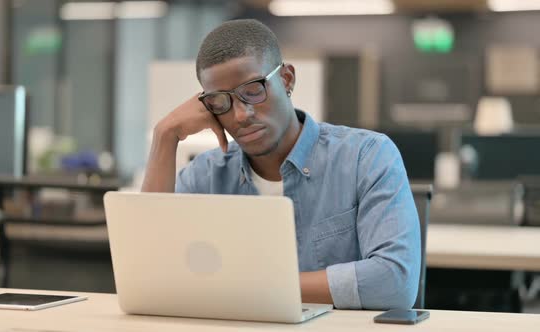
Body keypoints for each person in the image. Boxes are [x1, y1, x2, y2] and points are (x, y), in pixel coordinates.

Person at [142, 19, 420, 310]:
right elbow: (150, 276)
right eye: (220, 101)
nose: (240, 115)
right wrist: (166, 135)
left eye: (252, 90)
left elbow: (395, 283)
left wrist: (250, 287)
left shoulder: (367, 156)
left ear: (286, 79)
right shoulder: (205, 175)